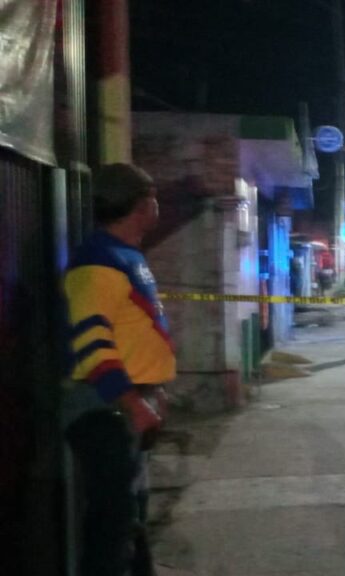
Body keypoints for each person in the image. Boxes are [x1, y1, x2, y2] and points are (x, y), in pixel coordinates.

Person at [62, 163, 175, 576]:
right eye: (153, 198)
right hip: (104, 409)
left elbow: (131, 333)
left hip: (124, 404)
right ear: (142, 205)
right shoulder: (98, 262)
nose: (156, 206)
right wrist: (133, 403)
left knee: (130, 513)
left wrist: (153, 391)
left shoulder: (123, 256)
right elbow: (93, 345)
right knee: (112, 523)